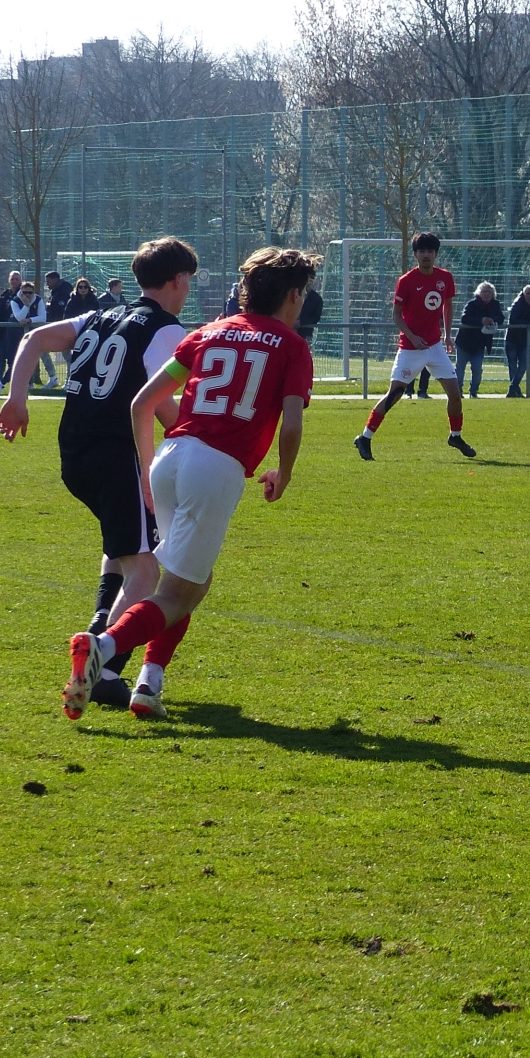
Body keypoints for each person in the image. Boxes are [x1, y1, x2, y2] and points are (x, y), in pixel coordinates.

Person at [65, 247, 320, 719]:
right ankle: (103, 648)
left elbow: (142, 404)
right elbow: (292, 424)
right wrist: (284, 472)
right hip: (215, 468)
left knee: (191, 583)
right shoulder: (291, 345)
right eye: (302, 292)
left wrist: (147, 472)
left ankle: (149, 683)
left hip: (171, 458)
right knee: (177, 592)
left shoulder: (208, 331)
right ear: (291, 295)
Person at [0, 237, 199, 714]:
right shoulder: (167, 329)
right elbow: (158, 405)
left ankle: (100, 623)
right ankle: (105, 672)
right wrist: (195, 443)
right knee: (146, 571)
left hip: (75, 454)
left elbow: (33, 339)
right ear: (177, 280)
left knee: (122, 544)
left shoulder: (101, 315)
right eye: (189, 280)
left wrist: (16, 398)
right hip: (117, 453)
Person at [352, 233, 476, 461]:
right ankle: (365, 437)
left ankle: (455, 436)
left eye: (430, 251)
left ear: (436, 254)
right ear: (416, 254)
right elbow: (396, 315)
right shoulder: (406, 281)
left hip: (434, 346)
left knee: (455, 393)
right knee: (395, 394)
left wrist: (448, 336)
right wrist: (412, 337)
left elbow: (447, 306)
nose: (426, 255)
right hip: (410, 347)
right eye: (422, 251)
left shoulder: (445, 277)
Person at [504, 284, 530, 397]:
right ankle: (515, 390)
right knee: (512, 366)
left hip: (525, 340)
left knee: (524, 365)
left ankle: (513, 387)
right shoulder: (517, 303)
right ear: (523, 293)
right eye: (527, 293)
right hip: (512, 339)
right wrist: (526, 324)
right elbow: (514, 319)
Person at [0, 271, 23, 395]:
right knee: (0, 354)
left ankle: (13, 381)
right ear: (9, 280)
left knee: (14, 358)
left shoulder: (23, 293)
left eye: (17, 279)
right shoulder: (6, 294)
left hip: (16, 331)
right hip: (3, 330)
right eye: (12, 279)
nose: (14, 281)